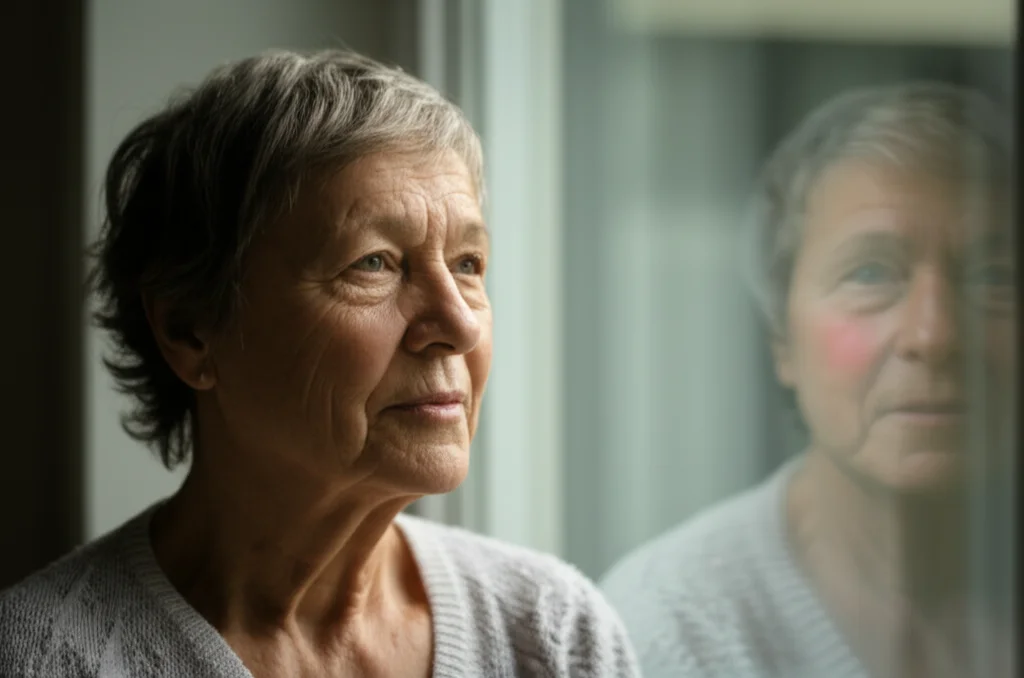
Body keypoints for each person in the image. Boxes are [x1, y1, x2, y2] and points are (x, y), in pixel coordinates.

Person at [0, 49, 639, 678]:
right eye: (374, 263)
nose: (459, 325)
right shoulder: (41, 660)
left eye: (467, 264)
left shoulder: (552, 634)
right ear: (190, 331)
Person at [601, 82, 1015, 677]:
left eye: (995, 277)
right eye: (871, 274)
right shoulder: (668, 633)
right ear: (782, 340)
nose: (935, 334)